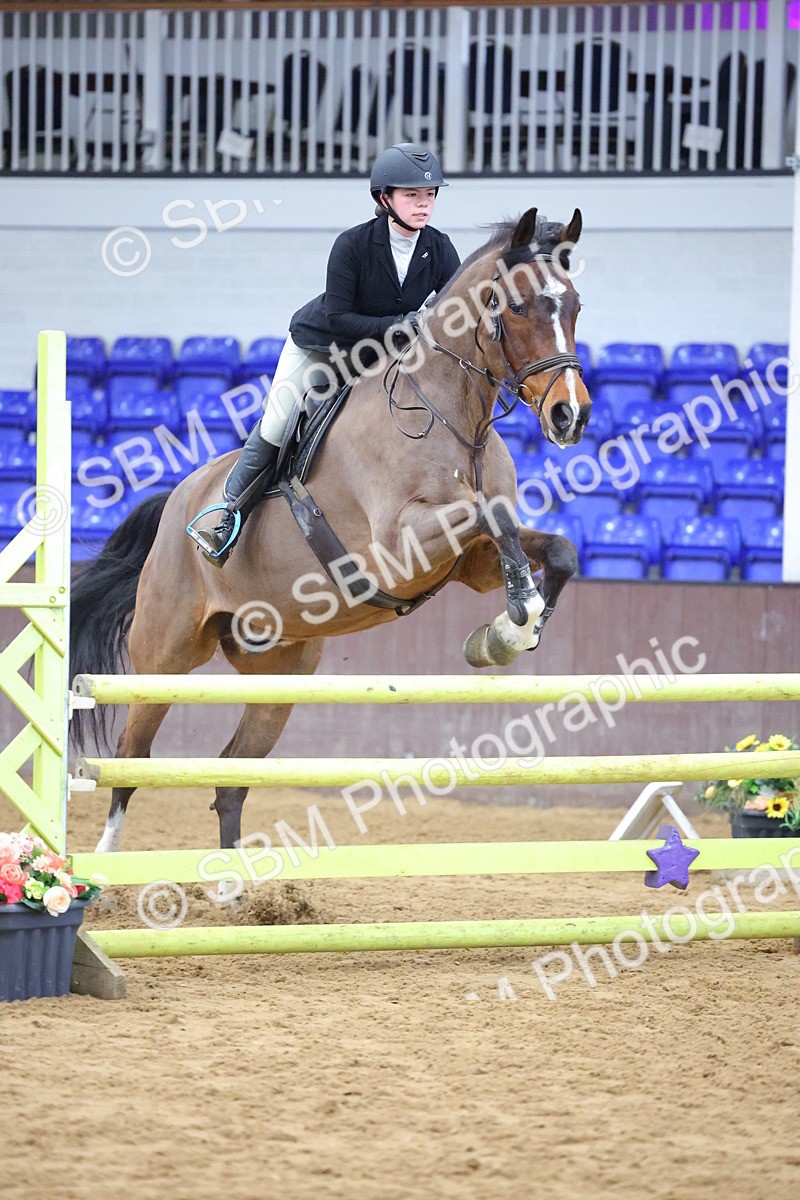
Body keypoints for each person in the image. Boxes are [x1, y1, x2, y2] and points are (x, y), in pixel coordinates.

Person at [192, 142, 460, 566]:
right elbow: (338, 317)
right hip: (320, 346)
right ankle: (225, 516)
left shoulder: (440, 248)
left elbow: (450, 314)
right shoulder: (352, 245)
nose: (423, 205)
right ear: (384, 198)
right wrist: (403, 324)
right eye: (412, 196)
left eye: (429, 195)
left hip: (380, 356)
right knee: (280, 421)